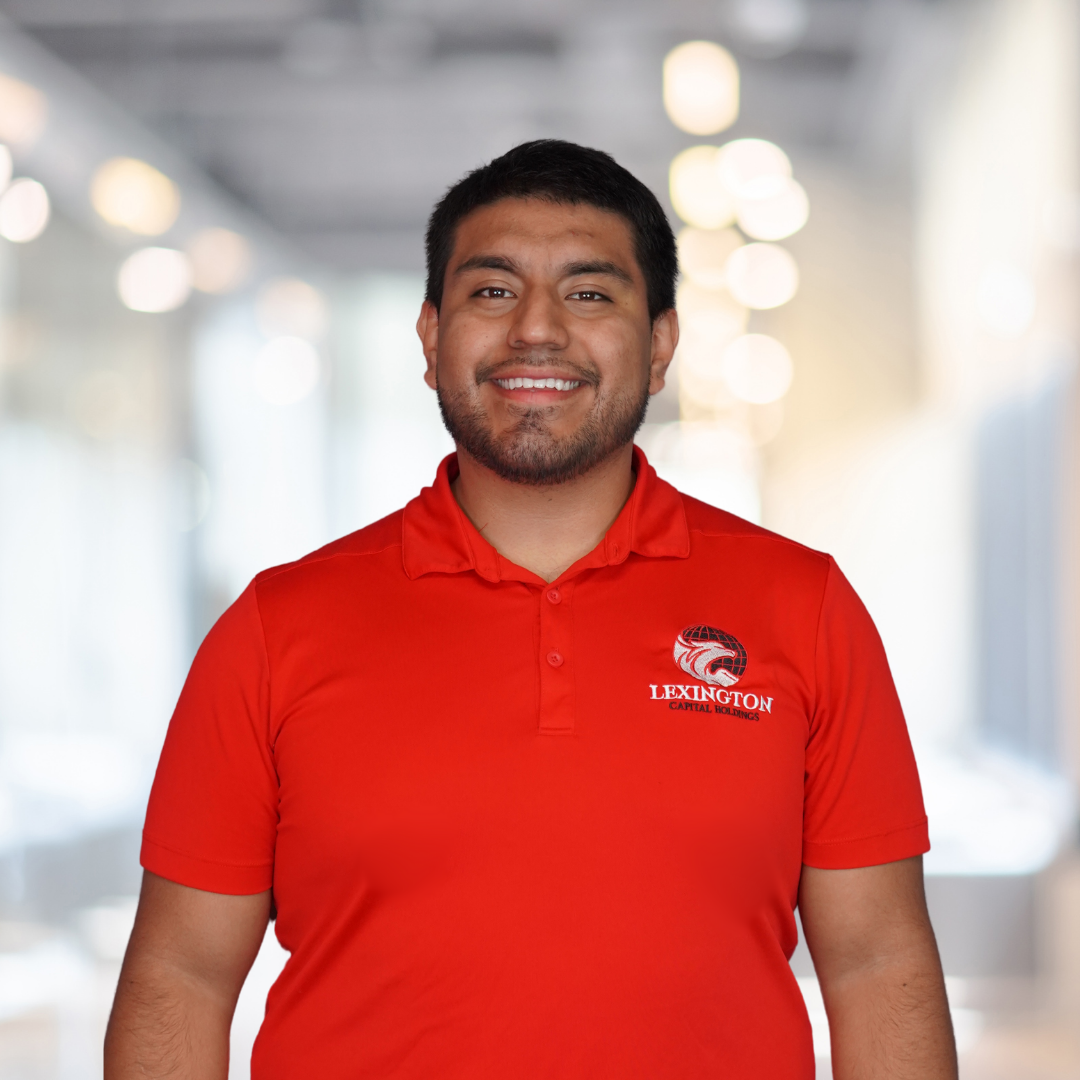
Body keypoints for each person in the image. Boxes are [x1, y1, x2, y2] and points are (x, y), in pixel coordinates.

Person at [106, 140, 956, 1079]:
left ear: (662, 343)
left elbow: (879, 964)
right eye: (493, 292)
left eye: (590, 293)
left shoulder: (806, 609)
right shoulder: (275, 629)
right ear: (431, 340)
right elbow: (181, 973)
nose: (538, 331)